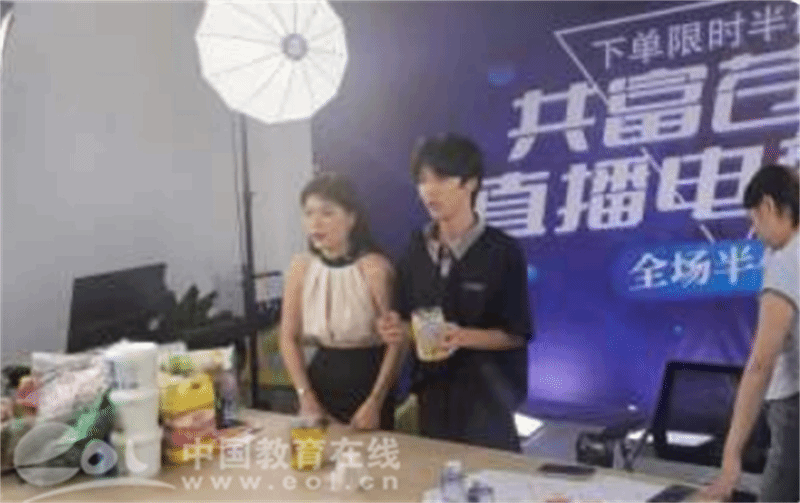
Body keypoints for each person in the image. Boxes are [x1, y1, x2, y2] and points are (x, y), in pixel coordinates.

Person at [377, 134, 533, 452]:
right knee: (438, 475)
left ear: (471, 183)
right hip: (432, 393)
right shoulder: (414, 250)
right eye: (422, 180)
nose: (429, 190)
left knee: (491, 476)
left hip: (487, 396)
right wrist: (395, 328)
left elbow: (516, 334)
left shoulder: (502, 251)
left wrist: (461, 337)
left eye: (442, 179)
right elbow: (406, 321)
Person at [697, 164, 799, 502]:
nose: (756, 232)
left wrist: (731, 456)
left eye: (754, 219)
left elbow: (760, 365)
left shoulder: (787, 261)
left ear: (768, 205)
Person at [279, 172, 406, 430]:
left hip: (370, 383)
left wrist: (375, 402)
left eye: (327, 213)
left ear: (351, 218)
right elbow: (288, 337)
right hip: (318, 381)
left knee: (371, 455)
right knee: (316, 454)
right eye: (308, 213)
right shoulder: (300, 268)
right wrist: (305, 396)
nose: (315, 223)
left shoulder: (375, 268)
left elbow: (398, 342)